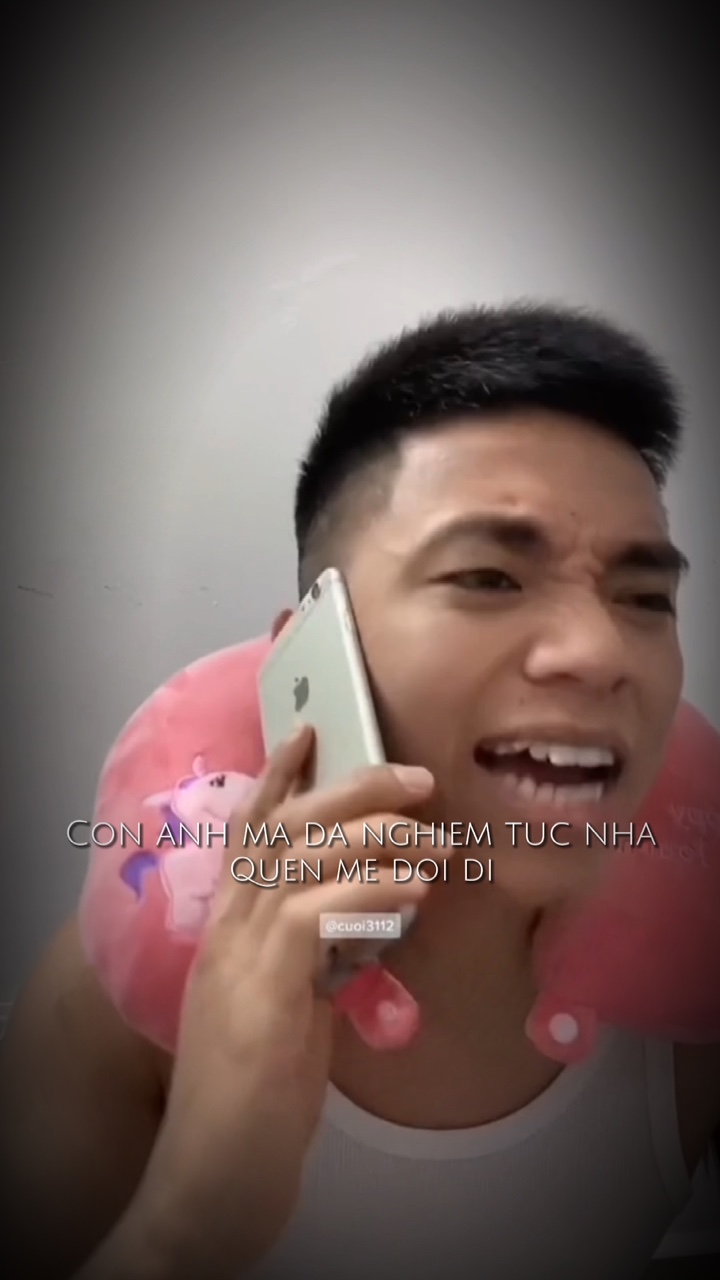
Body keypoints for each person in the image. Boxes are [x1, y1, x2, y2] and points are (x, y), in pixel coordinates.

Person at [1, 303, 719, 1280]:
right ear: (309, 648)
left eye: (644, 598)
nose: (600, 653)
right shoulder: (119, 1002)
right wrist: (186, 1226)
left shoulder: (694, 1002)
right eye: (489, 577)